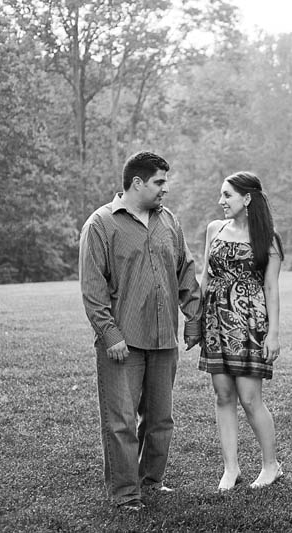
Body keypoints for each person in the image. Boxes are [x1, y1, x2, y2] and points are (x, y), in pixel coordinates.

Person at [79, 151, 202, 511]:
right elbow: (92, 288)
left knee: (160, 419)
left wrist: (193, 317)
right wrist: (110, 334)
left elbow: (185, 270)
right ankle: (125, 493)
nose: (166, 189)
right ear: (137, 183)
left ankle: (152, 481)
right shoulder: (100, 224)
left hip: (164, 338)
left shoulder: (169, 222)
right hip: (123, 343)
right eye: (159, 182)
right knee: (120, 422)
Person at [198, 171, 284, 491]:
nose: (221, 201)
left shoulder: (268, 239)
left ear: (247, 199)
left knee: (249, 399)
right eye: (221, 195)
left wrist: (273, 334)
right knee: (223, 396)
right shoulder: (214, 230)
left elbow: (271, 288)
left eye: (227, 195)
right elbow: (205, 277)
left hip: (250, 325)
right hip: (216, 322)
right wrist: (196, 320)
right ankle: (230, 468)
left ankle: (270, 465)